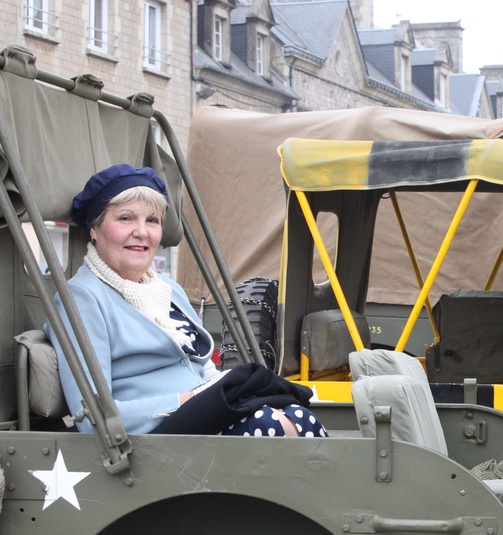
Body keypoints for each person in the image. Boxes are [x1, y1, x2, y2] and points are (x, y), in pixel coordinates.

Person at [45, 164, 326, 437]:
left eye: (152, 221)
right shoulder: (82, 299)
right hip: (150, 441)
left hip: (204, 417)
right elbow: (93, 417)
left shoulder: (166, 288)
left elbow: (200, 366)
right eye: (126, 218)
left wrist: (221, 392)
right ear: (94, 229)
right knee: (270, 427)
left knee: (299, 416)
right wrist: (188, 400)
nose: (142, 232)